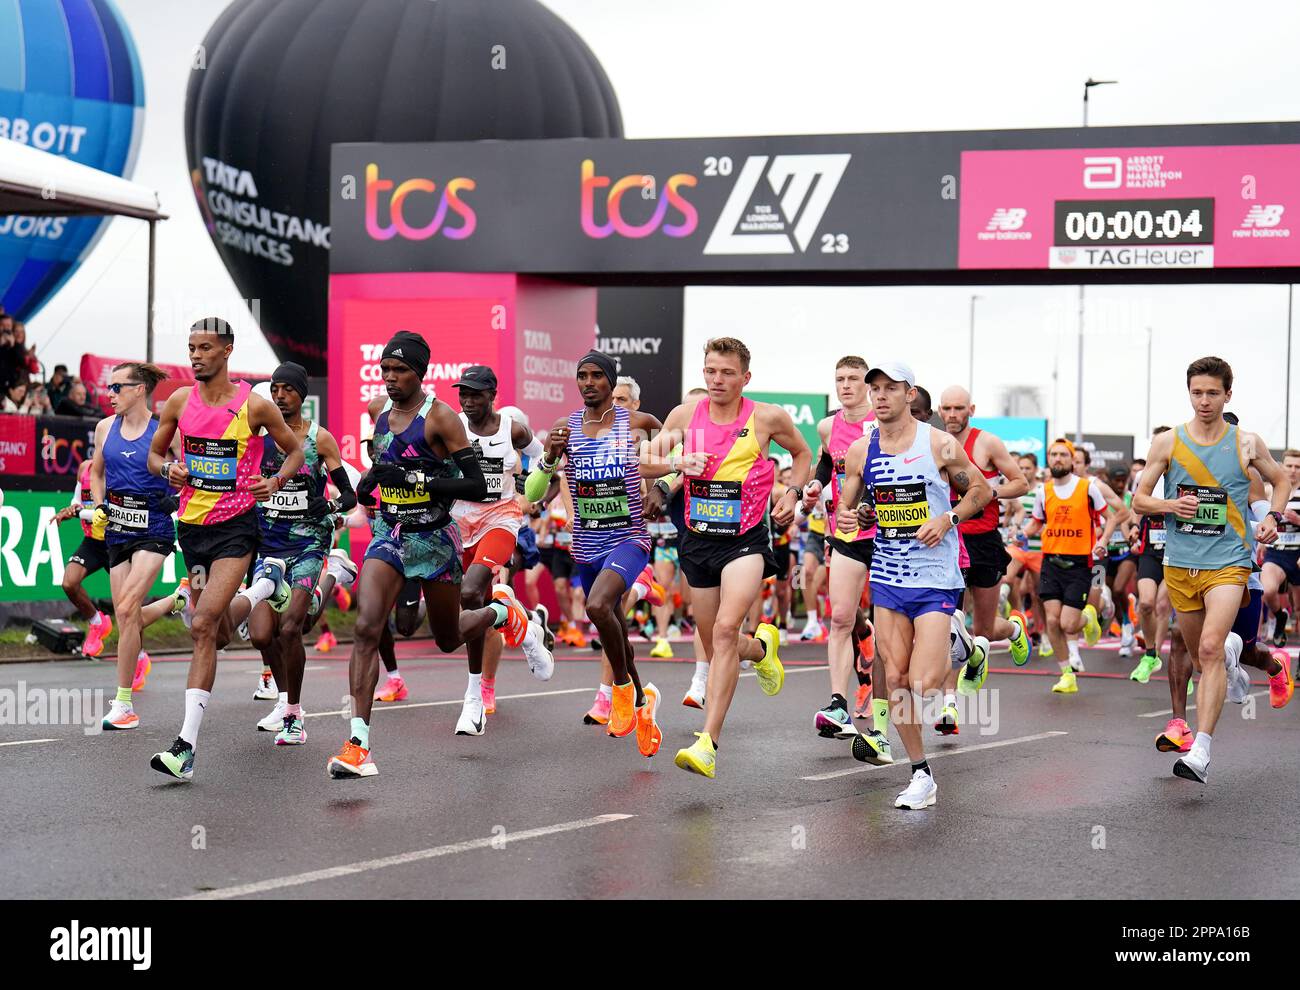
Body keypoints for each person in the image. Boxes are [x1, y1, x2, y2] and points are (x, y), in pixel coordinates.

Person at [146, 317, 306, 781]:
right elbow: (158, 454)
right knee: (213, 633)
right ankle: (262, 591)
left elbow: (294, 451)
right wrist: (167, 470)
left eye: (205, 348)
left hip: (236, 530)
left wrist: (274, 480)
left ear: (227, 351)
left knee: (199, 624)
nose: (196, 355)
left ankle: (185, 748)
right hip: (192, 530)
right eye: (191, 347)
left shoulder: (254, 406)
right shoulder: (179, 400)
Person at [645, 337, 809, 778]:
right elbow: (644, 462)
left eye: (727, 373)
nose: (717, 380)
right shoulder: (684, 416)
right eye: (710, 371)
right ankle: (760, 650)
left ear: (745, 378)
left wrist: (793, 492)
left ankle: (708, 742)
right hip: (698, 542)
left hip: (746, 541)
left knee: (721, 632)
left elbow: (802, 453)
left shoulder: (766, 417)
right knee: (721, 643)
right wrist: (678, 465)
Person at [835, 362, 992, 809]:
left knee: (923, 684)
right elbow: (852, 508)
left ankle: (964, 644)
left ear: (909, 394)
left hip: (936, 576)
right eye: (875, 389)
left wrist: (948, 518)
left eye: (891, 388)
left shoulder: (938, 443)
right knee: (897, 677)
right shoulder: (861, 452)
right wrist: (854, 515)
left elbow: (981, 491)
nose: (881, 396)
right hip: (887, 574)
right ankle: (921, 775)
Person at [1133, 357, 1290, 783]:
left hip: (1229, 562)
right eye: (1197, 392)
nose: (1204, 401)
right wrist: (1170, 505)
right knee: (1207, 661)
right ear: (1189, 393)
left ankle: (1200, 750)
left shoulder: (1246, 443)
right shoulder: (1167, 443)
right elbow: (1140, 500)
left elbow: (1282, 481)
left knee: (1207, 648)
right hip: (1182, 565)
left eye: (1212, 393)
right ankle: (1234, 666)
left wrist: (1274, 517)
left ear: (1228, 395)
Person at [526, 351, 666, 755]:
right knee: (614, 623)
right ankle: (643, 701)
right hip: (587, 545)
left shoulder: (640, 424)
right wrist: (550, 457)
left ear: (610, 381)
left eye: (596, 377)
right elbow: (534, 494)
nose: (588, 383)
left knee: (599, 606)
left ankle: (620, 689)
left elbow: (673, 463)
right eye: (581, 376)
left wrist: (661, 488)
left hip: (629, 537)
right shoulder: (563, 428)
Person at [248, 363, 357, 744]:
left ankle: (294, 715)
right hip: (268, 544)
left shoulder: (320, 439)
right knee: (262, 635)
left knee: (292, 627)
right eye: (274, 389)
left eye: (287, 390)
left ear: (301, 395)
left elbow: (349, 496)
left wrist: (326, 509)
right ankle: (281, 700)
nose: (278, 396)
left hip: (309, 541)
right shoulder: (256, 437)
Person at [450, 365, 553, 729]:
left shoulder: (514, 430)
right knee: (464, 612)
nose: (468, 401)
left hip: (501, 519)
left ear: (492, 395)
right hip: (458, 524)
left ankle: (474, 696)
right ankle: (514, 615)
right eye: (463, 393)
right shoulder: (452, 425)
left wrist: (537, 499)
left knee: (472, 589)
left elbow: (550, 464)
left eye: (476, 394)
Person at [89, 363, 185, 730]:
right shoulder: (104, 428)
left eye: (117, 388)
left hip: (154, 526)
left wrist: (176, 495)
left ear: (140, 389)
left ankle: (124, 703)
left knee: (128, 607)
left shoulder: (165, 429)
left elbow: (190, 470)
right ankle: (176, 602)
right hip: (116, 526)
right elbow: (96, 473)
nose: (109, 394)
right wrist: (99, 506)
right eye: (109, 388)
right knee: (124, 616)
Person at [802, 355, 878, 739]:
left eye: (853, 379)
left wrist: (866, 506)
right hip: (845, 532)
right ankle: (838, 704)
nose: (845, 385)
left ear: (867, 384)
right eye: (839, 379)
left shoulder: (880, 423)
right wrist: (814, 486)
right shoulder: (827, 425)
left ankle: (881, 694)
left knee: (894, 625)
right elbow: (826, 464)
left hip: (884, 534)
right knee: (840, 617)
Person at [1023, 439, 1127, 694]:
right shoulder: (1042, 491)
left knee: (1069, 624)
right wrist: (1021, 534)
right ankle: (1066, 674)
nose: (1057, 459)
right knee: (1052, 620)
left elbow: (1112, 516)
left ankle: (1090, 615)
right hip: (1051, 561)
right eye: (1053, 454)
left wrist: (1102, 540)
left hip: (1080, 563)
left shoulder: (1087, 487)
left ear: (1072, 460)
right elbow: (1036, 523)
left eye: (1063, 455)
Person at [937, 387, 1031, 664]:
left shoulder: (987, 443)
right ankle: (950, 699)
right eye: (947, 409)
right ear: (940, 411)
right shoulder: (934, 443)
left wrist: (989, 492)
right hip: (948, 541)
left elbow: (1021, 483)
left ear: (971, 410)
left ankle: (1014, 629)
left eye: (959, 408)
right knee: (947, 623)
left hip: (983, 541)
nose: (952, 415)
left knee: (985, 629)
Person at [1129, 427, 1174, 684]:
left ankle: (1154, 654)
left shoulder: (1183, 471)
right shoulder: (1145, 475)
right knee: (1145, 603)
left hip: (1176, 549)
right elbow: (1137, 504)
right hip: (1149, 546)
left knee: (1161, 604)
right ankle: (1150, 654)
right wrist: (1135, 526)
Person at [1260, 448, 1300, 648]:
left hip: (1299, 552)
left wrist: (1298, 520)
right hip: (1277, 552)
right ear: (1282, 466)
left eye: (1298, 467)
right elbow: (1261, 517)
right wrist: (1261, 540)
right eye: (1289, 466)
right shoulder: (1272, 491)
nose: (1293, 470)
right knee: (1267, 591)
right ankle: (1280, 616)